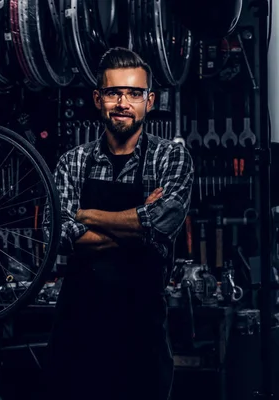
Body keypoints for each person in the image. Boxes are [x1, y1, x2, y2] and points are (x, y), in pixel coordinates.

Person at [43, 47, 194, 400]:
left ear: (150, 100)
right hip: (78, 331)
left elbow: (162, 225)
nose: (123, 102)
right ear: (98, 99)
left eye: (134, 93)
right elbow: (61, 234)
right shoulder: (73, 162)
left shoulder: (170, 156)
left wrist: (86, 214)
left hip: (142, 335)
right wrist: (137, 225)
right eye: (113, 93)